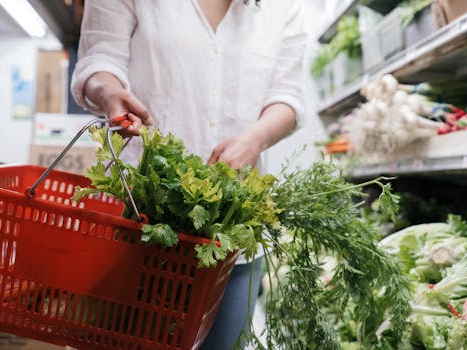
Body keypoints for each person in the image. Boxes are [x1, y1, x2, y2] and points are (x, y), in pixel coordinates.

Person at [71, 0, 306, 348]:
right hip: (140, 225)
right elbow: (99, 58)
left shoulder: (281, 8)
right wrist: (110, 92)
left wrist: (255, 138)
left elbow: (288, 97)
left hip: (231, 237)